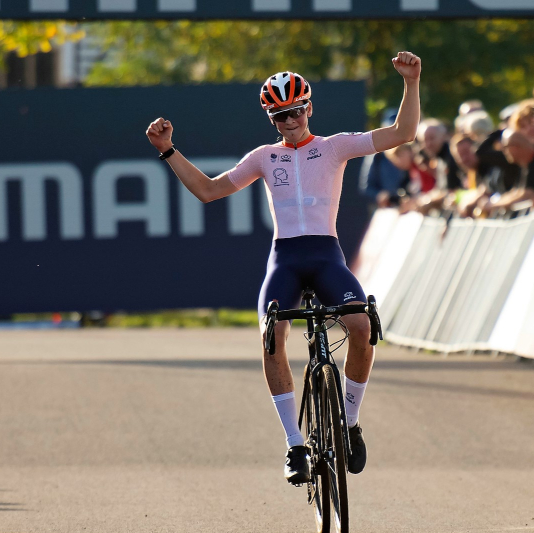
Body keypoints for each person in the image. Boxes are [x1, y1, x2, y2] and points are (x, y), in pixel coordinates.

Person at [145, 51, 422, 485]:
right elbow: (208, 190)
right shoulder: (263, 157)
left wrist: (410, 82)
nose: (289, 121)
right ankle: (295, 444)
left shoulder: (335, 147)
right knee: (271, 335)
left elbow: (404, 132)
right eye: (279, 116)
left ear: (308, 108)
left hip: (326, 255)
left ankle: (349, 423)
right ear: (270, 118)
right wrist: (168, 152)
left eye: (294, 111)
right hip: (287, 259)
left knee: (362, 324)